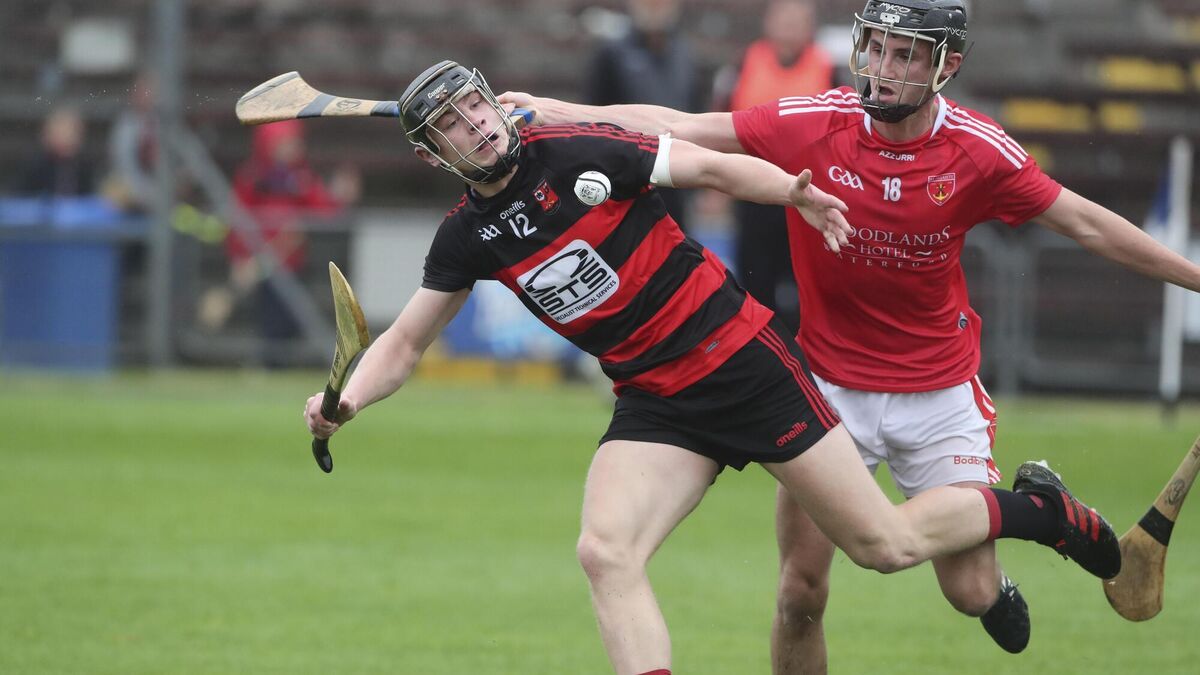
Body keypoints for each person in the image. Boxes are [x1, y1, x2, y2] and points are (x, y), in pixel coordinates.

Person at [306, 59, 1122, 675]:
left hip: (743, 363)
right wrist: (345, 401)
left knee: (884, 544)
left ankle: (1042, 511)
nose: (476, 127)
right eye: (452, 125)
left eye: (476, 106)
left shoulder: (578, 149)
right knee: (605, 551)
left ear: (494, 101)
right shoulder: (466, 236)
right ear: (436, 155)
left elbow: (708, 164)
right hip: (655, 398)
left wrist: (792, 191)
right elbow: (404, 343)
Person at [499, 0, 1200, 670]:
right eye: (877, 49)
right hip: (827, 389)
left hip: (939, 392)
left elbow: (1087, 224)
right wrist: (559, 112)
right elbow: (679, 124)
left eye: (905, 56)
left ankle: (1043, 507)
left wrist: (1194, 278)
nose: (882, 70)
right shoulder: (814, 123)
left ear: (946, 66)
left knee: (970, 591)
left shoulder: (978, 150)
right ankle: (1037, 512)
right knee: (799, 593)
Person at [712, 0, 833, 331]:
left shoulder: (827, 68)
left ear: (810, 27)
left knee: (801, 283)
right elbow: (719, 121)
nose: (790, 27)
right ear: (769, 22)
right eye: (784, 19)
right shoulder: (744, 64)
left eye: (798, 20)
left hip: (806, 195)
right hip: (751, 192)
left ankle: (801, 345)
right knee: (755, 280)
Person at [225, 119, 359, 366]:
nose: (293, 148)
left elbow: (323, 209)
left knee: (289, 317)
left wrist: (339, 198)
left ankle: (281, 364)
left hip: (291, 263)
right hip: (260, 263)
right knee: (268, 319)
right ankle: (265, 365)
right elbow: (238, 220)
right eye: (285, 143)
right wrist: (240, 257)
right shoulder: (252, 177)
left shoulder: (301, 178)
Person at [587, 0, 703, 231]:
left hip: (677, 178)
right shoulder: (612, 54)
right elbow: (593, 117)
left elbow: (696, 112)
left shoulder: (684, 53)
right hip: (629, 180)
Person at [15, 106, 95, 198]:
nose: (66, 139)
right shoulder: (34, 165)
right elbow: (21, 198)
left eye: (71, 133)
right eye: (61, 132)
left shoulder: (85, 166)